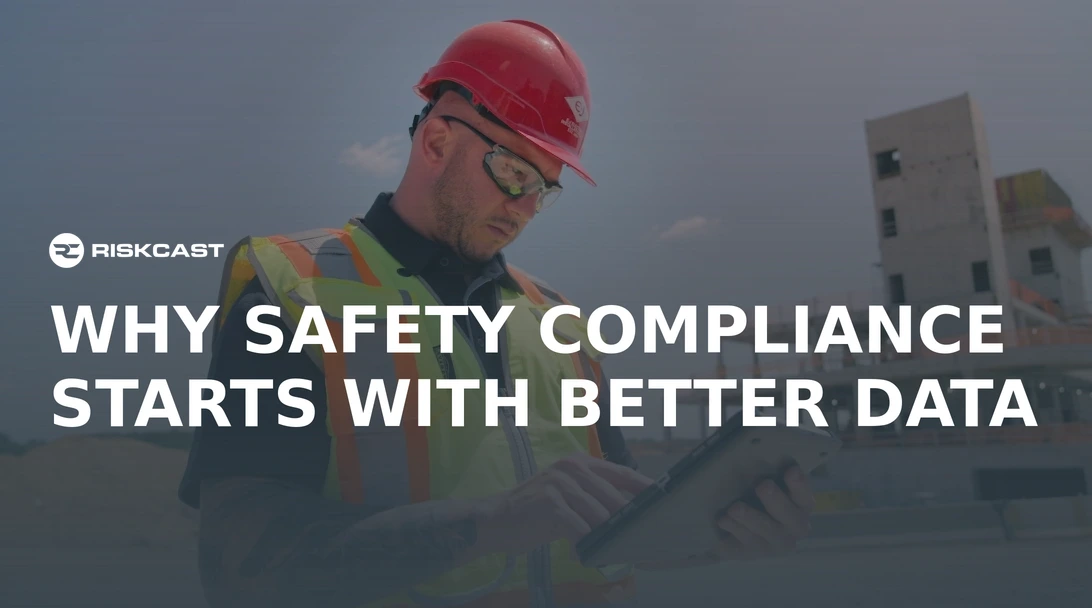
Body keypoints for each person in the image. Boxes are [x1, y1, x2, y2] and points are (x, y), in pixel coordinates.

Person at [178, 19, 816, 608]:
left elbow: (614, 538)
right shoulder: (294, 290)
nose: (524, 207)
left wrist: (711, 532)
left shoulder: (561, 324)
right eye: (513, 170)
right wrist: (490, 523)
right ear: (436, 140)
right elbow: (239, 567)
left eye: (544, 188)